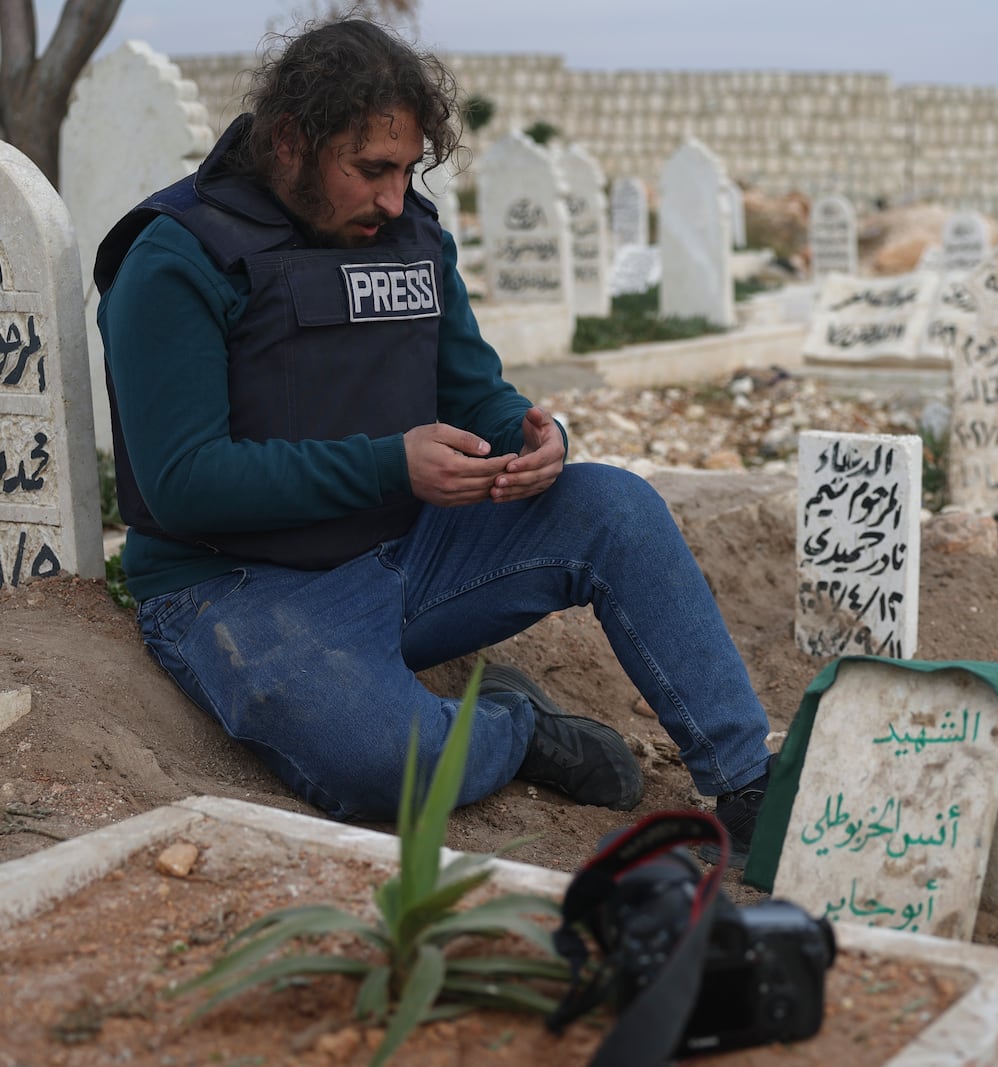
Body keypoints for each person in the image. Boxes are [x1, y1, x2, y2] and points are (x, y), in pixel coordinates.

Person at [94, 18, 772, 863]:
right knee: (388, 758)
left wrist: (534, 437)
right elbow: (184, 481)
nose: (392, 196)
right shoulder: (179, 257)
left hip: (406, 553)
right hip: (235, 590)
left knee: (617, 507)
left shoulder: (410, 236)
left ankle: (747, 783)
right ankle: (513, 729)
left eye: (407, 169)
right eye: (370, 168)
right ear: (290, 142)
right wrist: (391, 463)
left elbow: (475, 393)